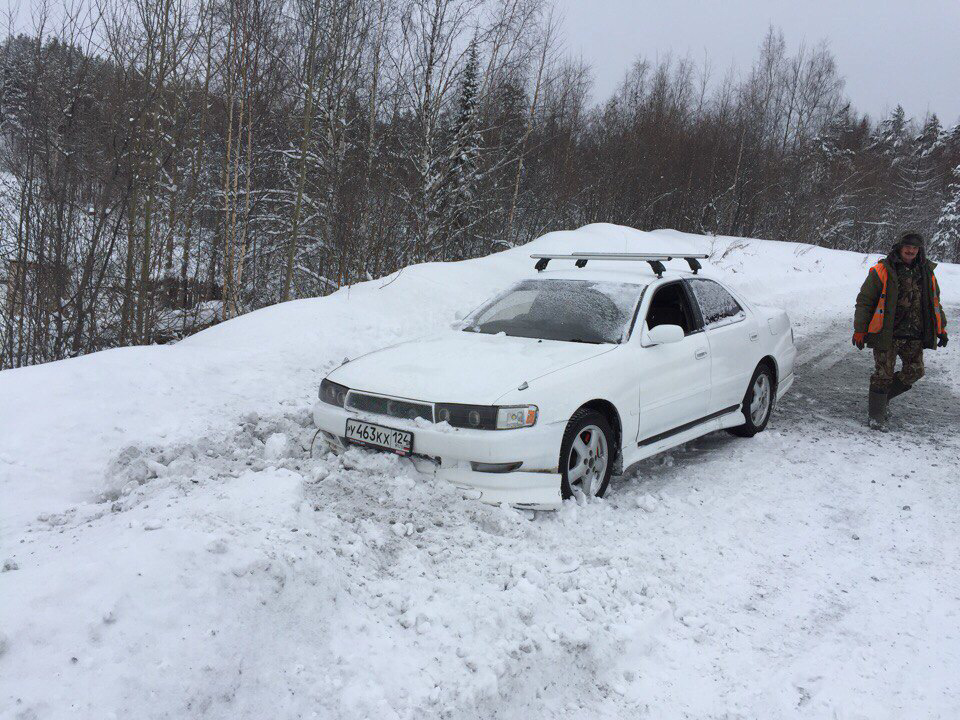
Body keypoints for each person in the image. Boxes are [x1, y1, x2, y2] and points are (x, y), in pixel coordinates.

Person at [853, 231, 948, 430]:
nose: (911, 250)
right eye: (908, 246)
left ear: (919, 250)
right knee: (883, 375)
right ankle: (876, 417)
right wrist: (860, 329)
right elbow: (865, 301)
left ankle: (883, 399)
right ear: (900, 246)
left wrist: (941, 328)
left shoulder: (926, 271)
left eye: (915, 247)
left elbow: (935, 302)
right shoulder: (882, 269)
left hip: (915, 334)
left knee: (915, 371)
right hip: (887, 332)